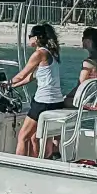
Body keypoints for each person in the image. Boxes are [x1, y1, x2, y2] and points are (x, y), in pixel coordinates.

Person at [10, 22, 65, 157]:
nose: (29, 38)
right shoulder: (52, 54)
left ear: (36, 38)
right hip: (56, 102)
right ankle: (35, 164)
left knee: (23, 137)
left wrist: (6, 82)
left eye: (30, 36)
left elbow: (22, 74)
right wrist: (11, 86)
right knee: (34, 138)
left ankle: (18, 165)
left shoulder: (39, 54)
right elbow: (30, 77)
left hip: (43, 102)